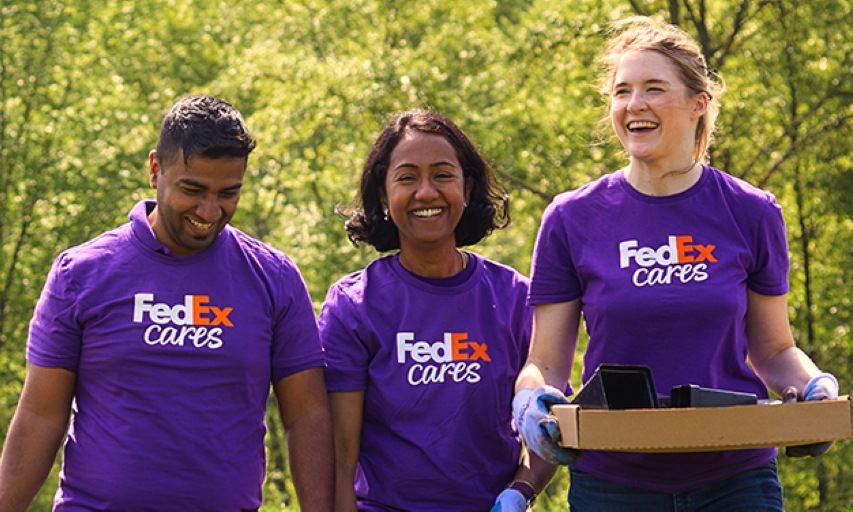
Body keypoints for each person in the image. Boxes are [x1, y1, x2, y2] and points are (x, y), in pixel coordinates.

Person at [513, 16, 840, 510]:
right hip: (613, 480)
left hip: (735, 478)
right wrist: (531, 400)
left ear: (698, 103)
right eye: (622, 91)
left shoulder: (751, 212)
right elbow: (546, 363)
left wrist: (815, 389)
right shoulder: (572, 218)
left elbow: (773, 350)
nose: (634, 104)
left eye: (653, 88)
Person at [0, 95, 335, 511]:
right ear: (156, 168)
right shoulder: (81, 274)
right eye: (193, 190)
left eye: (228, 193)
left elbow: (306, 416)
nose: (209, 211)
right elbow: (41, 415)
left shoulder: (275, 279)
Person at [319, 110, 556, 511]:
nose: (426, 193)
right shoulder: (354, 306)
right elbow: (339, 455)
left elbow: (549, 429)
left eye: (443, 175)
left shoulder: (516, 298)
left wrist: (521, 491)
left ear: (467, 188)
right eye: (407, 178)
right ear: (383, 196)